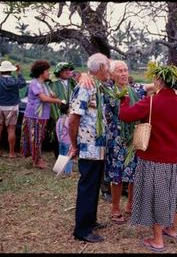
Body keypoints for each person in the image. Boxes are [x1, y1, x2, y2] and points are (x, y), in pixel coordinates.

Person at [119, 63, 177, 252]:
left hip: (154, 158)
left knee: (155, 197)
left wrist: (125, 100)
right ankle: (172, 229)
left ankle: (158, 240)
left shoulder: (151, 102)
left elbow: (126, 115)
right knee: (174, 193)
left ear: (159, 81)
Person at [68, 53, 110, 243]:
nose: (109, 70)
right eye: (107, 67)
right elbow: (73, 119)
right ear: (101, 67)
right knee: (88, 186)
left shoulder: (97, 85)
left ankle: (90, 220)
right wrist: (74, 144)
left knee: (94, 186)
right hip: (89, 146)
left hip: (98, 146)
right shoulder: (85, 87)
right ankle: (82, 230)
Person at [105, 60, 148, 224]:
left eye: (125, 70)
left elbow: (152, 87)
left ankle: (131, 204)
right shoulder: (108, 91)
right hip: (116, 138)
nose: (123, 73)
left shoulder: (136, 89)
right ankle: (115, 208)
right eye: (119, 71)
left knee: (134, 171)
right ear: (112, 74)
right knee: (117, 174)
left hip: (133, 137)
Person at [20, 60, 62, 169]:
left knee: (39, 137)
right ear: (41, 72)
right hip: (34, 115)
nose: (49, 72)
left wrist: (54, 96)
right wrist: (58, 101)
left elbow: (51, 95)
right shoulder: (35, 83)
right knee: (36, 138)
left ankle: (38, 158)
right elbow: (43, 98)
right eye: (47, 71)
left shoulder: (45, 85)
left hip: (42, 115)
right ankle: (36, 161)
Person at [0, 61, 27, 158]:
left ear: (1, 70)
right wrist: (19, 72)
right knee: (11, 129)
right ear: (10, 70)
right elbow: (23, 83)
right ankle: (11, 153)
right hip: (13, 107)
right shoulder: (14, 80)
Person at [48, 62, 77, 159]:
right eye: (65, 70)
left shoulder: (72, 82)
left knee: (71, 135)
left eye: (69, 69)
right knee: (59, 136)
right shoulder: (53, 84)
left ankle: (70, 156)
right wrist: (56, 115)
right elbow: (51, 100)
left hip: (71, 113)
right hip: (58, 114)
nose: (68, 72)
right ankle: (59, 157)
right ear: (59, 72)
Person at [55, 103, 73, 176]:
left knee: (61, 155)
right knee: (68, 156)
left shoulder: (59, 119)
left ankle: (59, 169)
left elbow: (57, 130)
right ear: (68, 110)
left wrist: (59, 139)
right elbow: (70, 129)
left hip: (61, 141)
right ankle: (68, 172)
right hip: (67, 141)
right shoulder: (68, 119)